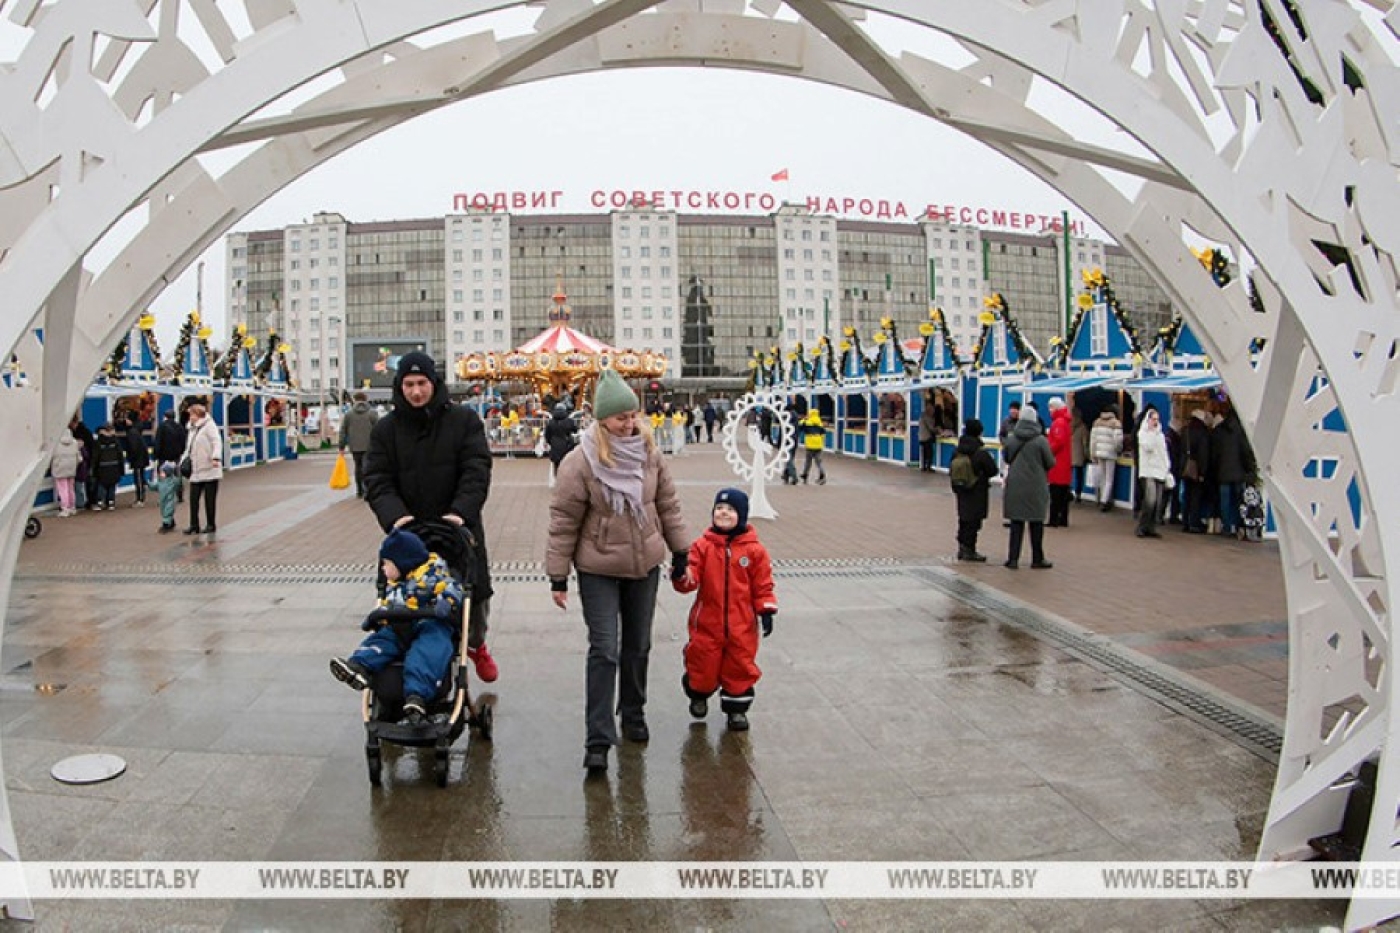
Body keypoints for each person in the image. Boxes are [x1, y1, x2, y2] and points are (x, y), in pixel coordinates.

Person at [546, 368, 690, 774]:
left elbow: (668, 505)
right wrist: (557, 575)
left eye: (633, 415)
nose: (629, 423)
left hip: (645, 562)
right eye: (620, 417)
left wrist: (680, 551)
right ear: (602, 419)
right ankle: (597, 738)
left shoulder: (649, 452)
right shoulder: (580, 462)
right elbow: (563, 519)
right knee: (605, 649)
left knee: (638, 645)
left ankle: (633, 711)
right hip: (598, 566)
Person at [364, 351, 498, 684]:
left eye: (422, 383)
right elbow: (377, 479)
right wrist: (395, 517)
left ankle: (476, 645)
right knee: (408, 601)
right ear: (400, 387)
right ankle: (408, 658)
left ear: (433, 383)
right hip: (409, 533)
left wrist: (460, 513)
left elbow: (476, 470)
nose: (416, 392)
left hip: (456, 529)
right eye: (408, 384)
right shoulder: (386, 430)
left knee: (472, 597)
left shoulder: (464, 421)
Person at [329, 528, 465, 723]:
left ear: (402, 563)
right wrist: (377, 617)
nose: (383, 569)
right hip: (399, 626)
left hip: (430, 624)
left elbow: (454, 587)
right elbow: (387, 605)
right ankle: (359, 667)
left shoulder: (433, 575)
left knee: (427, 650)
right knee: (381, 639)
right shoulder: (396, 585)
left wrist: (447, 602)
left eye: (386, 564)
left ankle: (416, 696)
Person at [673, 488, 777, 732]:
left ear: (741, 516)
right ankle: (698, 693)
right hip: (707, 622)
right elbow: (691, 579)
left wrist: (766, 609)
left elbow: (763, 584)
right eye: (719, 508)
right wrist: (681, 574)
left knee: (739, 666)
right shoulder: (702, 547)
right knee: (703, 664)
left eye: (730, 510)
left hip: (742, 625)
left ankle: (736, 710)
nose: (724, 513)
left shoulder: (754, 551)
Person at [1002, 403, 1054, 570]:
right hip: (1036, 485)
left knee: (1016, 524)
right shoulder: (1041, 440)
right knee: (1036, 523)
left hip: (1016, 485)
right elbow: (1050, 462)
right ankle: (1037, 558)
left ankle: (1013, 559)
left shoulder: (1011, 439)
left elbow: (1007, 458)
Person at [949, 418, 999, 561]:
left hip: (961, 489)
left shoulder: (958, 450)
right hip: (977, 490)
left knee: (964, 518)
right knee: (974, 521)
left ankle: (962, 547)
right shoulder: (980, 452)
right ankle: (969, 550)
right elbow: (992, 470)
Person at [1211, 407, 1256, 538]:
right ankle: (1238, 526)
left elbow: (1215, 454)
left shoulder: (1219, 431)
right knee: (1239, 502)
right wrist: (1250, 470)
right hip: (1239, 474)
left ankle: (1226, 527)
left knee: (1224, 502)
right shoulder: (1241, 432)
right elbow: (1246, 453)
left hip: (1223, 473)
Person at [181, 403, 223, 534]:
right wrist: (183, 461)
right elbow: (189, 447)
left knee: (209, 500)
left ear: (198, 414)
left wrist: (215, 457)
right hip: (196, 469)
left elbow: (216, 442)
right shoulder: (192, 429)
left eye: (192, 414)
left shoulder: (209, 426)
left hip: (210, 468)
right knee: (193, 499)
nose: (190, 417)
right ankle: (194, 525)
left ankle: (211, 524)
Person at [1135, 407, 1171, 539]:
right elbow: (1148, 447)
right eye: (1153, 419)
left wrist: (1167, 467)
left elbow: (1163, 453)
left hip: (1160, 471)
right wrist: (1151, 432)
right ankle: (1141, 526)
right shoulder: (1143, 433)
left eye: (1157, 419)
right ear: (1148, 419)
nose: (1155, 422)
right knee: (1150, 500)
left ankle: (1151, 527)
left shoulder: (1160, 435)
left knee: (1157, 502)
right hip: (1148, 471)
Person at [338, 391, 380, 498]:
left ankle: (359, 491)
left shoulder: (349, 414)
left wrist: (341, 446)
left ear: (355, 400)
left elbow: (343, 430)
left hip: (354, 446)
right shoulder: (372, 413)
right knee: (368, 467)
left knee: (358, 467)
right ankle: (367, 490)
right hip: (370, 446)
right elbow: (379, 429)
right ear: (366, 399)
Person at [1181, 409, 1212, 533]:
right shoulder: (1202, 433)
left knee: (1186, 495)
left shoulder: (1185, 431)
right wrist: (1202, 472)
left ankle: (1185, 522)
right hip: (1196, 469)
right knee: (1195, 496)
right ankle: (1194, 523)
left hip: (1185, 467)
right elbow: (1203, 454)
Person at [1089, 405, 1124, 512]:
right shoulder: (1116, 423)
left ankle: (1102, 498)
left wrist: (1092, 453)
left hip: (1099, 452)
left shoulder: (1096, 422)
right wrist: (1118, 450)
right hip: (1110, 453)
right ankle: (1105, 501)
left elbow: (1093, 440)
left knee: (1103, 477)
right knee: (1109, 479)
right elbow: (1118, 441)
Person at [1045, 398, 1073, 527]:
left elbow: (1058, 442)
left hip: (1057, 463)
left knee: (1056, 493)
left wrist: (1048, 451)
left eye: (1051, 408)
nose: (1049, 411)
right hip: (1064, 462)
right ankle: (1063, 519)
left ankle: (1054, 519)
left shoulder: (1058, 423)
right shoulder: (1064, 422)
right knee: (1063, 493)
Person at [152, 409, 187, 510]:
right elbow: (183, 442)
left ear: (165, 416)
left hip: (163, 457)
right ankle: (179, 494)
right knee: (177, 474)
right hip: (176, 456)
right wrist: (180, 452)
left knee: (163, 477)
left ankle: (165, 496)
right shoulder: (179, 427)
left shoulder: (162, 427)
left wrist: (155, 455)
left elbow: (158, 442)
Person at [92, 422, 126, 511]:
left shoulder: (99, 441)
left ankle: (100, 501)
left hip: (102, 466)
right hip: (114, 466)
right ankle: (111, 502)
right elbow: (120, 455)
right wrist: (122, 469)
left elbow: (95, 456)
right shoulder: (115, 441)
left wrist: (93, 469)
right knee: (112, 485)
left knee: (101, 484)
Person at [49, 427, 82, 517]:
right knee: (71, 488)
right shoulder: (74, 442)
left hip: (59, 468)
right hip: (71, 468)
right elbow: (79, 457)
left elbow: (51, 456)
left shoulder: (55, 443)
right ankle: (72, 507)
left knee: (62, 489)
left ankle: (65, 508)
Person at [68, 415, 95, 510]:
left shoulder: (77, 434)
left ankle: (81, 502)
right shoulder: (86, 431)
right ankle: (90, 502)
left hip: (82, 461)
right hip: (86, 461)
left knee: (80, 483)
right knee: (86, 482)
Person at [122, 416, 150, 507]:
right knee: (140, 478)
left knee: (138, 479)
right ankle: (140, 498)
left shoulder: (132, 433)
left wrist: (131, 458)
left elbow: (133, 448)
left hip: (137, 460)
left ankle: (140, 499)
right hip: (140, 459)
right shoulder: (136, 431)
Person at [544, 401, 580, 472]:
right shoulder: (569, 421)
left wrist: (551, 442)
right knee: (567, 465)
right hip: (567, 445)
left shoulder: (551, 422)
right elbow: (575, 430)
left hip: (555, 446)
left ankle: (557, 479)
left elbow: (547, 435)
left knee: (556, 466)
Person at [798, 409, 827, 485]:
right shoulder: (820, 423)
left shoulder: (807, 423)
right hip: (818, 445)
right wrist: (822, 443)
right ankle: (822, 475)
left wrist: (804, 418)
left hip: (810, 445)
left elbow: (799, 425)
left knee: (808, 461)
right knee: (819, 462)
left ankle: (805, 474)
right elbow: (823, 434)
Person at [1071, 409, 1090, 502]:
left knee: (1068, 476)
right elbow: (1085, 443)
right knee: (1079, 476)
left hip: (1069, 455)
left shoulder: (1067, 426)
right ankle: (1078, 494)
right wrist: (1087, 455)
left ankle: (1067, 492)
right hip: (1079, 455)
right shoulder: (1083, 428)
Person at [917, 391, 938, 472]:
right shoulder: (927, 417)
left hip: (921, 437)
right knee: (929, 452)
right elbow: (931, 428)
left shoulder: (922, 416)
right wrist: (937, 430)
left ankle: (923, 466)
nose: (933, 411)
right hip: (926, 437)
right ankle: (928, 466)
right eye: (932, 410)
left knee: (924, 452)